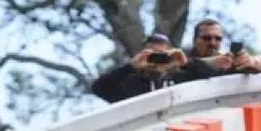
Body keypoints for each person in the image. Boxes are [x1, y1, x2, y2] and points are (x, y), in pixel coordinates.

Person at [91, 33, 221, 103]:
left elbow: (214, 79)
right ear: (141, 54)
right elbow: (99, 88)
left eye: (162, 55)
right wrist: (130, 67)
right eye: (152, 55)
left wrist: (186, 64)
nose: (157, 61)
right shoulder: (129, 84)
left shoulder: (182, 78)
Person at [189, 18, 261, 74]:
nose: (213, 43)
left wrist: (252, 61)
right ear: (194, 40)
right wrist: (212, 63)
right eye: (207, 38)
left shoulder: (227, 62)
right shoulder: (183, 61)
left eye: (218, 39)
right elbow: (183, 66)